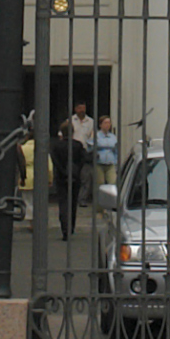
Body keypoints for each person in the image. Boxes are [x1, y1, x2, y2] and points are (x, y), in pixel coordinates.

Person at [58, 101, 93, 239]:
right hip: (75, 171)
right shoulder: (77, 145)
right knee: (71, 203)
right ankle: (70, 226)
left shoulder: (56, 146)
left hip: (62, 174)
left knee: (64, 202)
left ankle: (65, 228)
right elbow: (84, 158)